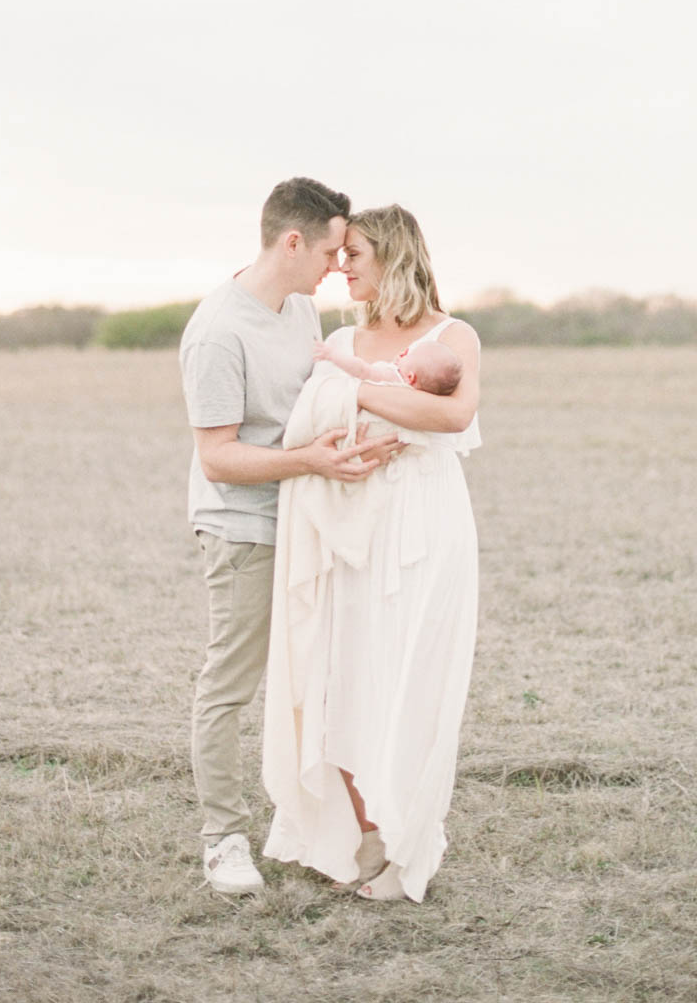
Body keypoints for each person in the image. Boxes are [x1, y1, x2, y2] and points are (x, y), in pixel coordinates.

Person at [179, 178, 401, 896]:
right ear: (293, 242)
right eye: (332, 252)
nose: (338, 266)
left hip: (309, 520)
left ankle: (325, 828)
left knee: (320, 682)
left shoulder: (300, 306)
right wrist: (312, 461)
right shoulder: (218, 331)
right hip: (245, 529)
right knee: (231, 683)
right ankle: (221, 840)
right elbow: (219, 458)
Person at [263, 204, 480, 902]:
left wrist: (357, 391)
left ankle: (408, 847)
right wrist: (378, 395)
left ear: (392, 256)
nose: (341, 267)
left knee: (412, 680)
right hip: (351, 524)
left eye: (353, 254)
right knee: (349, 681)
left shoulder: (453, 336)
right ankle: (366, 839)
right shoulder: (342, 337)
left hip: (425, 522)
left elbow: (452, 415)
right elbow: (312, 422)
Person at [313, 335, 463, 396]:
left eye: (408, 355)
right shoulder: (414, 397)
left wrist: (332, 355)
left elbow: (362, 370)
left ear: (410, 377)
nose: (402, 354)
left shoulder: (392, 377)